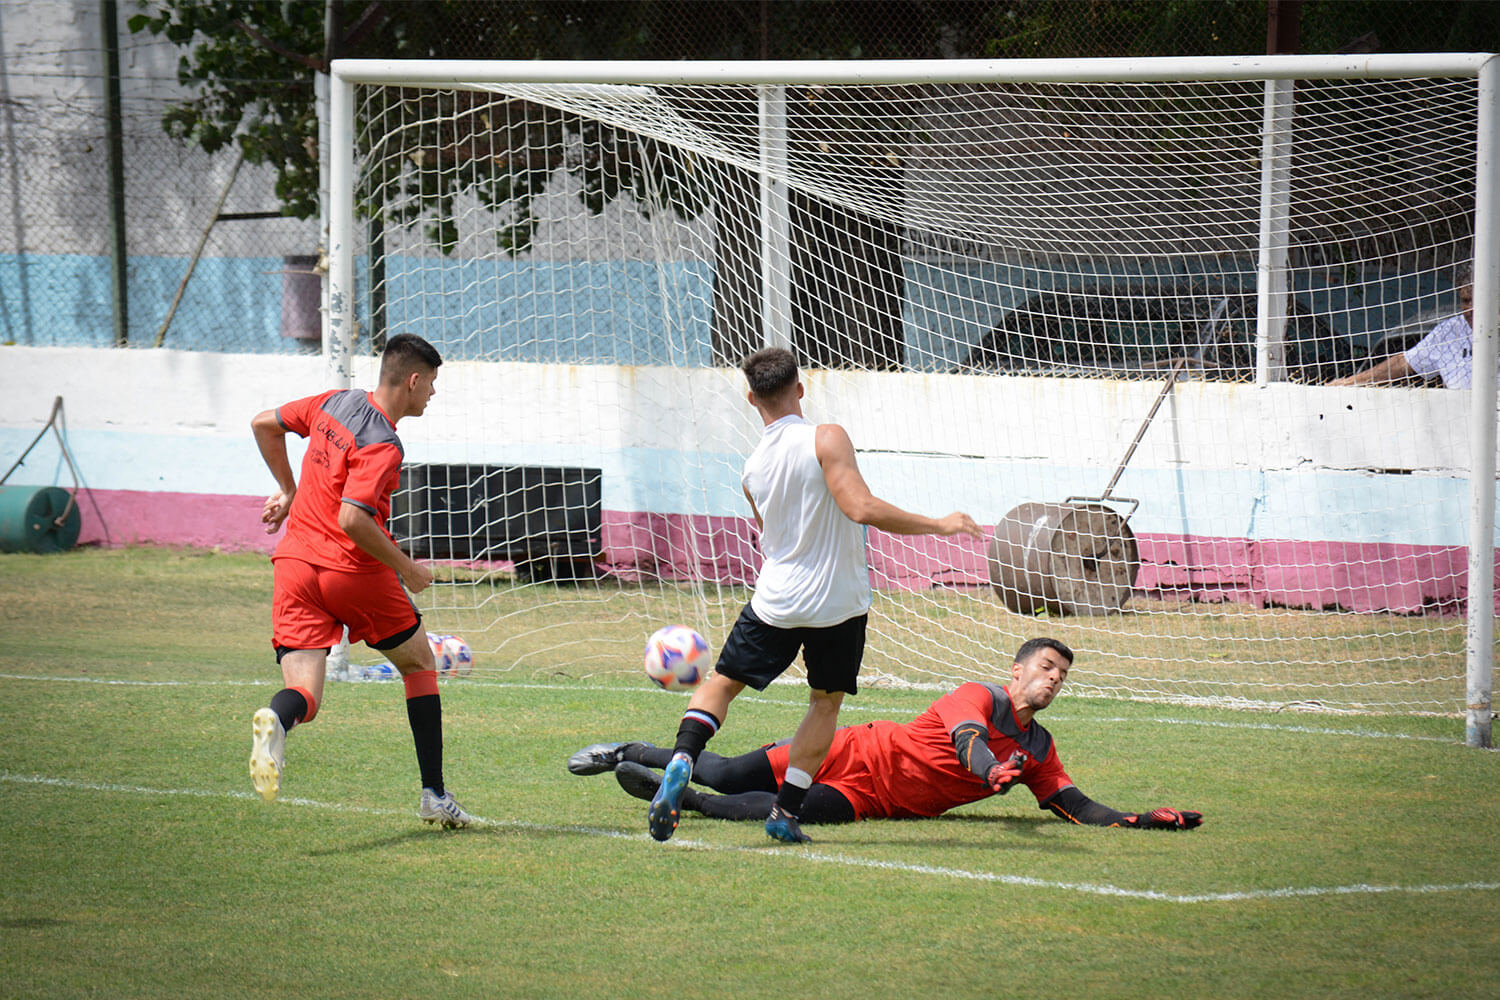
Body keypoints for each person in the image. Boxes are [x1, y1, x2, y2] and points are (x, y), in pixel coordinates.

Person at [646, 346, 984, 845]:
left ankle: (682, 757)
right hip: (836, 604)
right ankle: (785, 812)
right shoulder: (827, 436)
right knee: (824, 704)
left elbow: (770, 535)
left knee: (722, 682)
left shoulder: (752, 469)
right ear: (799, 389)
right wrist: (941, 524)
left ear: (751, 399)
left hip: (777, 599)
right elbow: (860, 507)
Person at [572, 637, 1202, 834]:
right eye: (1045, 667)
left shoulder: (1038, 749)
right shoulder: (977, 696)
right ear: (1017, 670)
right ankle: (627, 752)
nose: (1053, 680)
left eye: (1061, 675)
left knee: (773, 810)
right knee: (728, 770)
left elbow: (1071, 802)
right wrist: (988, 773)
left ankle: (677, 799)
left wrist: (1135, 820)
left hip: (877, 800)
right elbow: (966, 740)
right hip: (856, 748)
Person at [247, 332, 472, 828]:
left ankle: (276, 722)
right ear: (413, 381)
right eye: (431, 383)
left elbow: (264, 424)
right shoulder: (384, 445)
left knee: (306, 694)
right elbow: (353, 519)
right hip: (351, 573)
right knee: (419, 663)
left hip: (294, 567)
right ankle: (434, 793)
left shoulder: (333, 401)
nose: (432, 393)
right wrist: (407, 568)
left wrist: (288, 489)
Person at [1331, 266, 1492, 387]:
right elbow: (1403, 363)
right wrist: (1348, 383)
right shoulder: (1450, 332)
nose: (1471, 308)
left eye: (1478, 300)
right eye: (1465, 301)